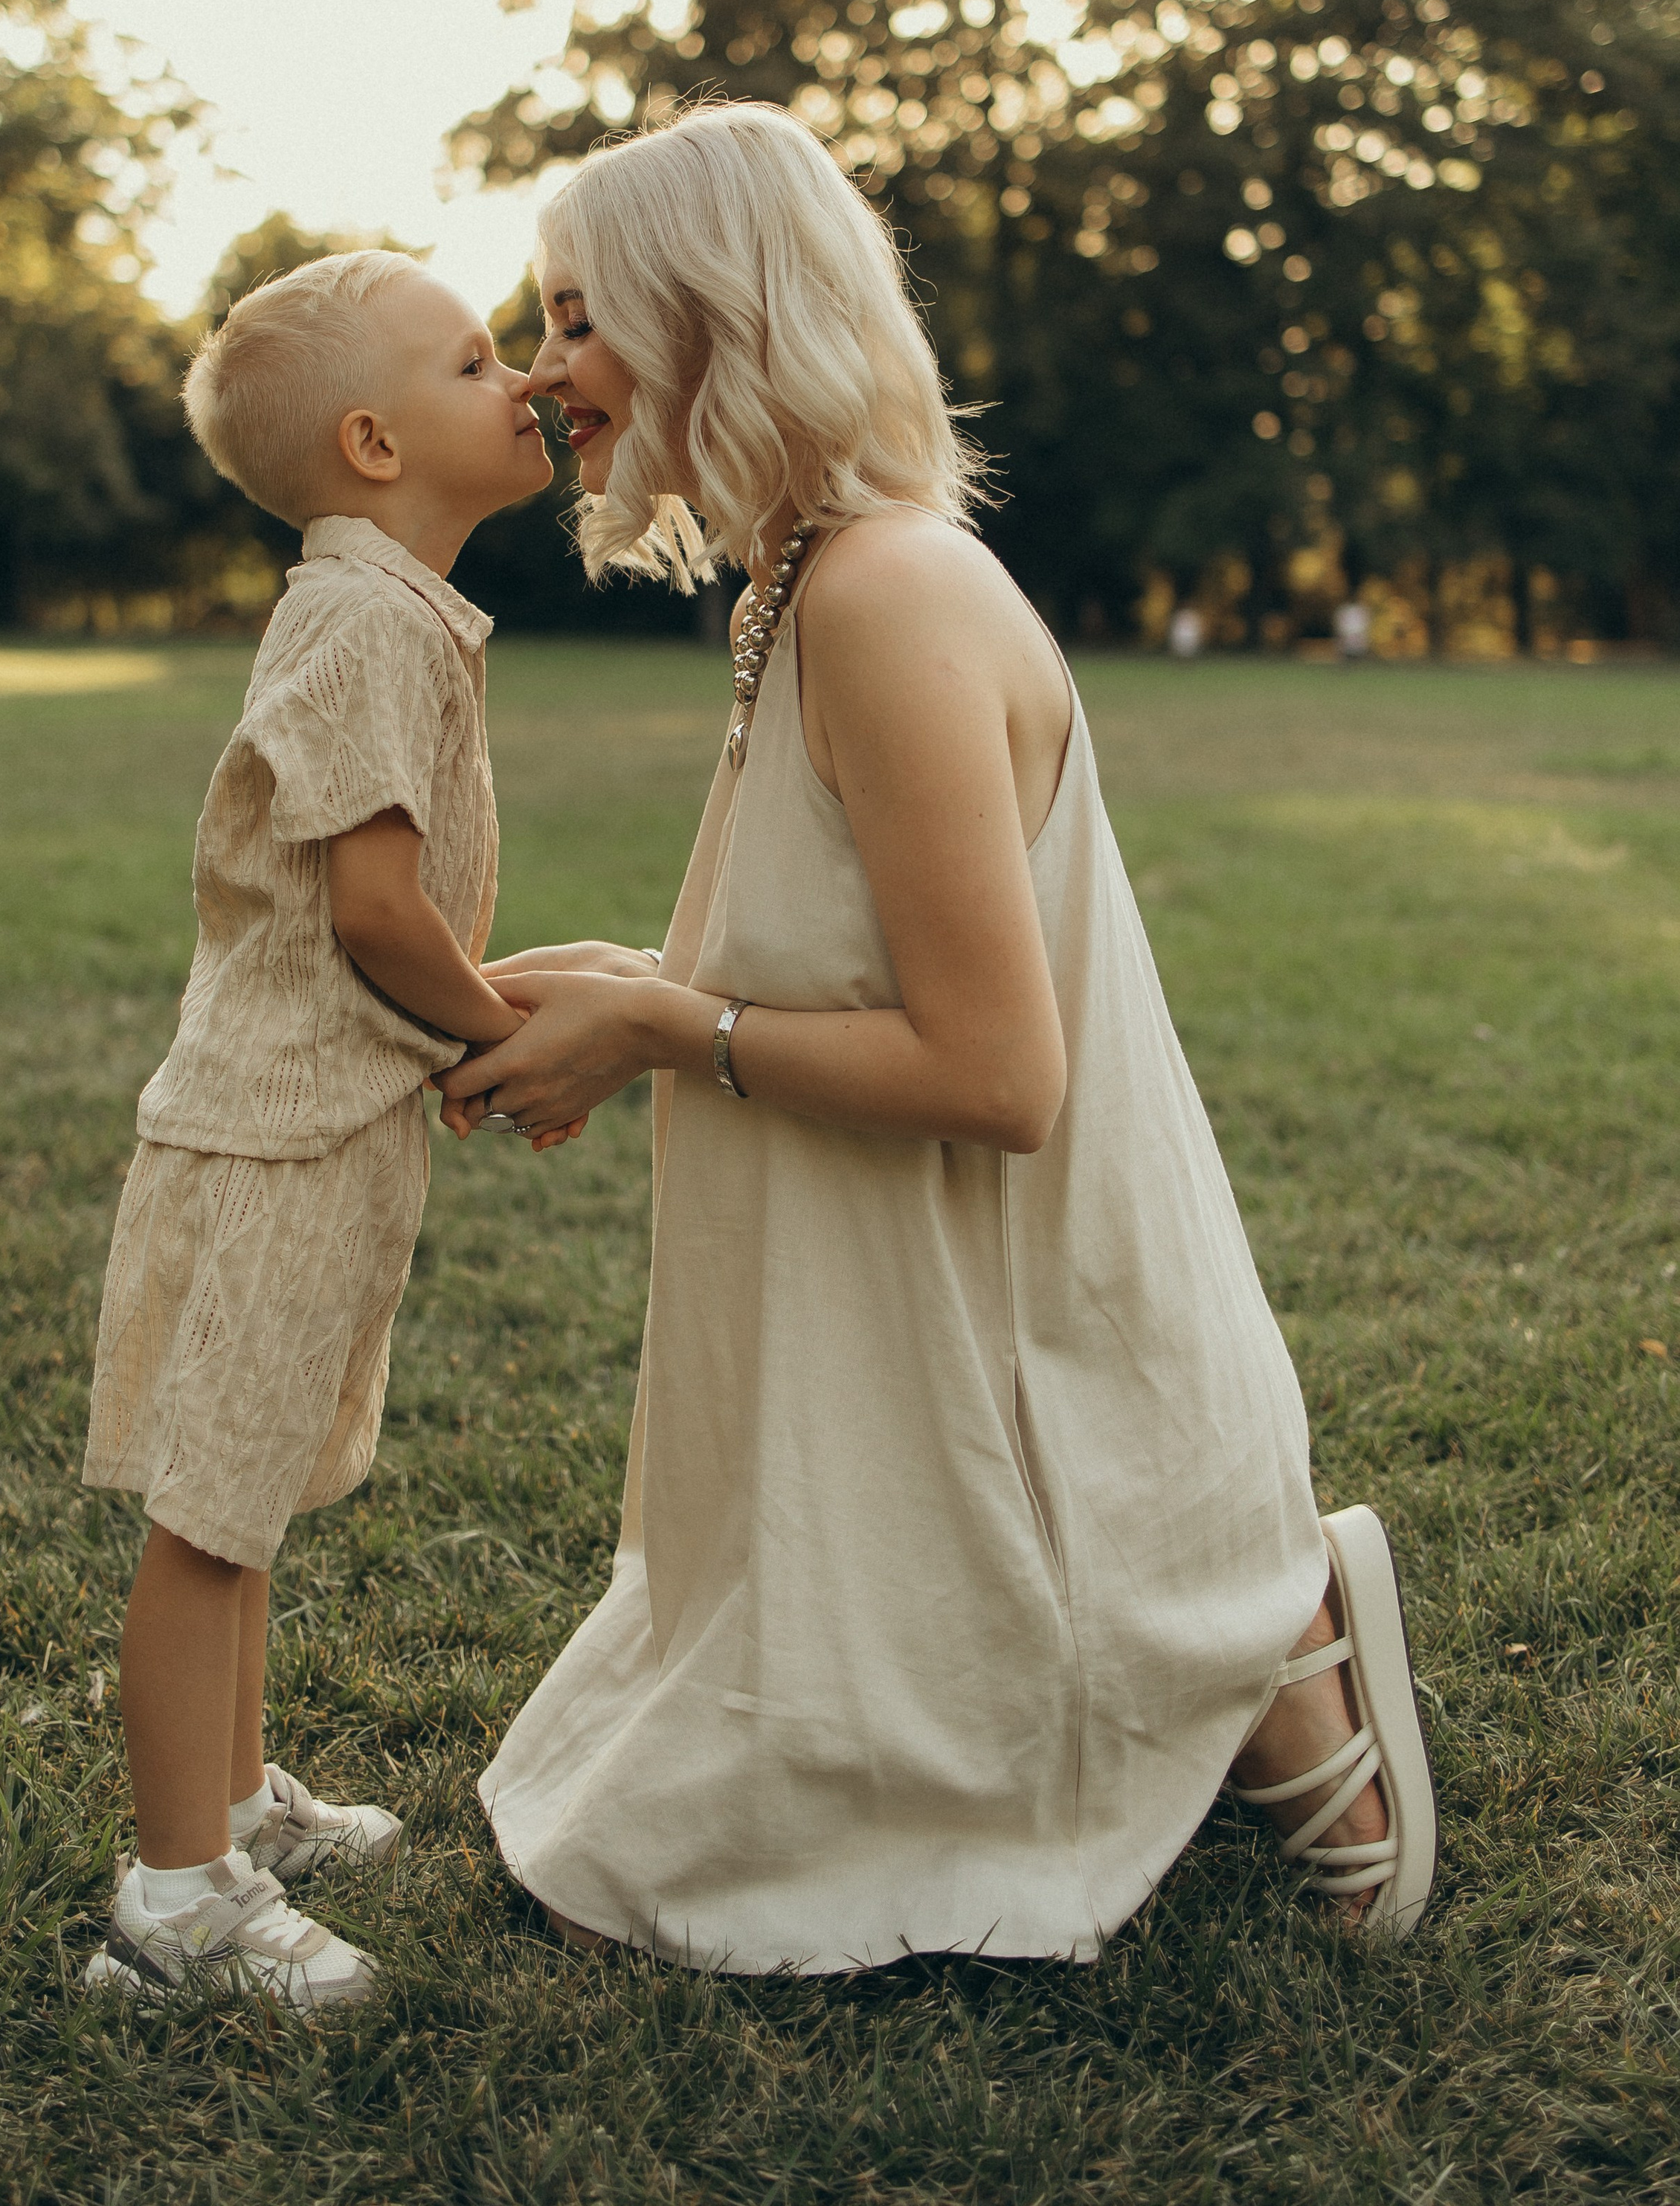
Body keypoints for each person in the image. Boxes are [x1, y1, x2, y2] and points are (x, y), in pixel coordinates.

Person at [442, 103, 1436, 1972]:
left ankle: (1251, 1605)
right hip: (898, 1313)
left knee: (726, 1865)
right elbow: (810, 951)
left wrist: (661, 1026)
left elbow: (997, 1077)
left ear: (711, 310)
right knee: (658, 1819)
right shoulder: (795, 583)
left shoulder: (888, 593)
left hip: (1032, 1331)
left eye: (580, 314)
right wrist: (599, 987)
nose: (542, 366)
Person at [80, 251, 556, 2007]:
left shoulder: (397, 608)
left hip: (322, 1120)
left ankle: (231, 1803)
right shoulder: (360, 619)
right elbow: (372, 906)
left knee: (253, 1485)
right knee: (209, 1513)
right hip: (277, 1132)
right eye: (474, 357)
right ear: (373, 440)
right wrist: (502, 1036)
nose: (518, 379)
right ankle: (175, 1894)